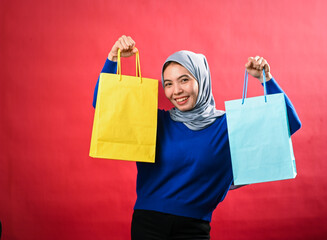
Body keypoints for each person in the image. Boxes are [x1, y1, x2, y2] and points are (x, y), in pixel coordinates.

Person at [92, 35, 301, 240]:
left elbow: (287, 122)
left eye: (184, 80)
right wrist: (112, 59)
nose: (177, 91)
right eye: (168, 84)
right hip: (148, 224)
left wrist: (266, 80)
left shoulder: (228, 126)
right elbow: (105, 106)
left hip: (194, 229)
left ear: (201, 78)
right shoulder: (154, 121)